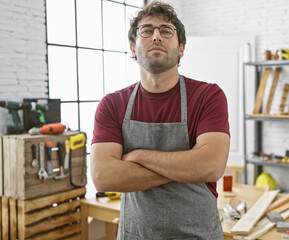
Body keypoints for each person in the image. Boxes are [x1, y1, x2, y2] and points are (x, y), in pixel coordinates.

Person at [90, 1, 230, 239]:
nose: (156, 36)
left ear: (181, 48)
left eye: (166, 31)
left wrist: (138, 156)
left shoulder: (208, 96)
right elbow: (103, 177)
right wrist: (189, 165)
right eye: (146, 31)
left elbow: (210, 166)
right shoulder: (112, 105)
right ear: (133, 47)